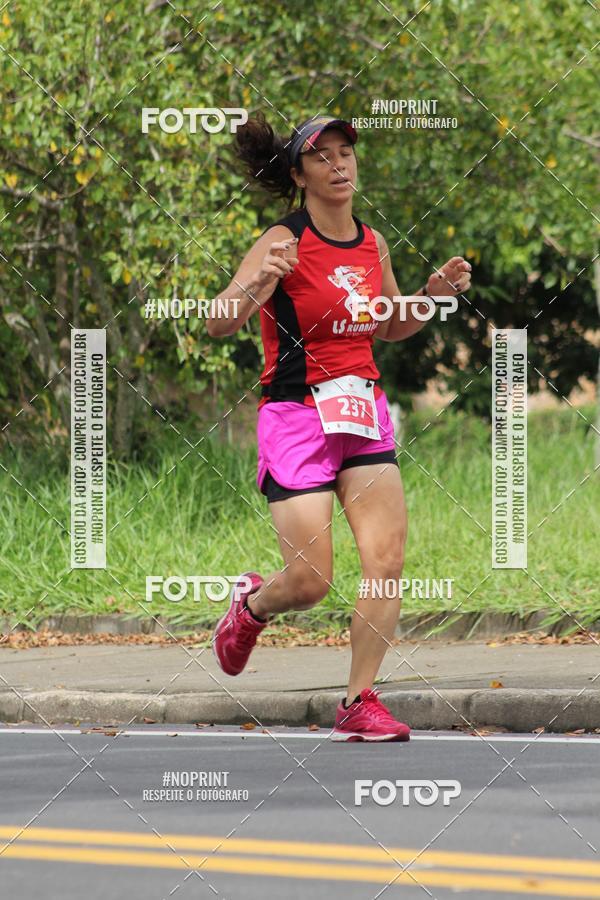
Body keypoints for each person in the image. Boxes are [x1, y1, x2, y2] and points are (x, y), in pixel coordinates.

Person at [206, 113, 471, 741]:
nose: (338, 164)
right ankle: (251, 606)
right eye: (321, 156)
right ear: (299, 175)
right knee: (311, 582)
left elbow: (389, 323)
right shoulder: (282, 238)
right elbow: (217, 320)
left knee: (386, 560)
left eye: (345, 152)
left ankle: (358, 700)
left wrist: (430, 295)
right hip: (296, 416)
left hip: (362, 410)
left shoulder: (373, 243)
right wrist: (261, 280)